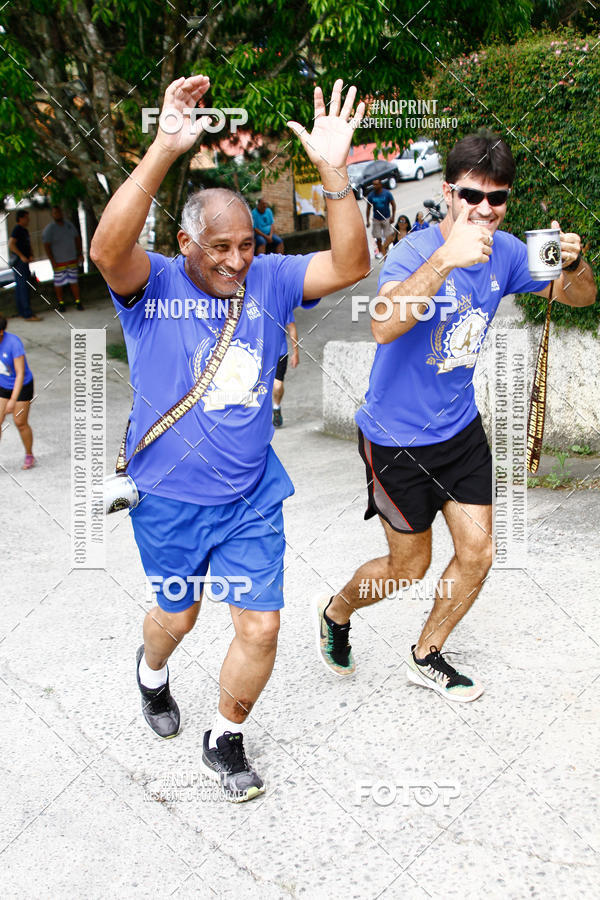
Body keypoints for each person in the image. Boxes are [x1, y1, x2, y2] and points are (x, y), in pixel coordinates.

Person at [90, 75, 369, 801]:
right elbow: (105, 247)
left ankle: (225, 738)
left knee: (262, 628)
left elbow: (351, 265)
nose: (236, 259)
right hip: (171, 499)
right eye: (219, 246)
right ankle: (151, 673)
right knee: (176, 615)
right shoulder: (150, 285)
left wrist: (334, 173)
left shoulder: (270, 279)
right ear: (185, 242)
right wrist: (163, 150)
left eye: (247, 244)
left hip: (249, 498)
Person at [316, 130, 596, 698]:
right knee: (408, 569)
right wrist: (447, 258)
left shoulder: (514, 250)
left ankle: (428, 651)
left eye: (497, 198)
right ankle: (338, 613)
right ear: (449, 192)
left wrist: (576, 259)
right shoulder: (415, 251)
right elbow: (383, 323)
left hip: (461, 431)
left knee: (479, 553)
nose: (484, 209)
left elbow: (579, 297)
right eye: (472, 196)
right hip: (395, 439)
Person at [0, 316, 35, 469]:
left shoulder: (13, 343)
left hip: (22, 386)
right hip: (2, 385)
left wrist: (13, 400)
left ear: (1, 332)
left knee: (20, 422)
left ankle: (29, 455)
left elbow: (20, 374)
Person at [42, 206, 84, 312]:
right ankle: (61, 303)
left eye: (59, 212)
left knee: (74, 281)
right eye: (55, 213)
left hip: (72, 259)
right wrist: (52, 260)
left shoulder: (69, 225)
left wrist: (80, 253)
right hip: (59, 261)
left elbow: (77, 239)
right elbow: (46, 245)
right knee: (59, 283)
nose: (58, 214)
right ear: (52, 215)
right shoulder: (49, 229)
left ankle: (78, 301)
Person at [8, 211, 41, 322]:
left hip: (25, 261)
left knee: (21, 286)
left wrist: (30, 254)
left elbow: (28, 244)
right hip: (19, 263)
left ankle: (22, 312)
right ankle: (27, 314)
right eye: (26, 218)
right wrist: (21, 256)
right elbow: (11, 244)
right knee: (23, 287)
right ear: (21, 219)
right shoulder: (17, 229)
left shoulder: (24, 231)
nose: (28, 220)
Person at [272, 314, 299, 427]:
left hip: (279, 352)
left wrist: (296, 352)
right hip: (258, 351)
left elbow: (292, 328)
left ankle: (276, 408)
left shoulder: (282, 304)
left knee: (277, 386)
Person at [366, 179, 396, 257]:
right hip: (376, 219)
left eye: (376, 184)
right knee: (378, 237)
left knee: (388, 236)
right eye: (373, 185)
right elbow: (368, 208)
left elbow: (393, 205)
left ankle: (387, 249)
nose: (374, 186)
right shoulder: (371, 195)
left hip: (386, 217)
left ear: (380, 185)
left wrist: (393, 217)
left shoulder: (387, 194)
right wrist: (367, 221)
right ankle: (381, 252)